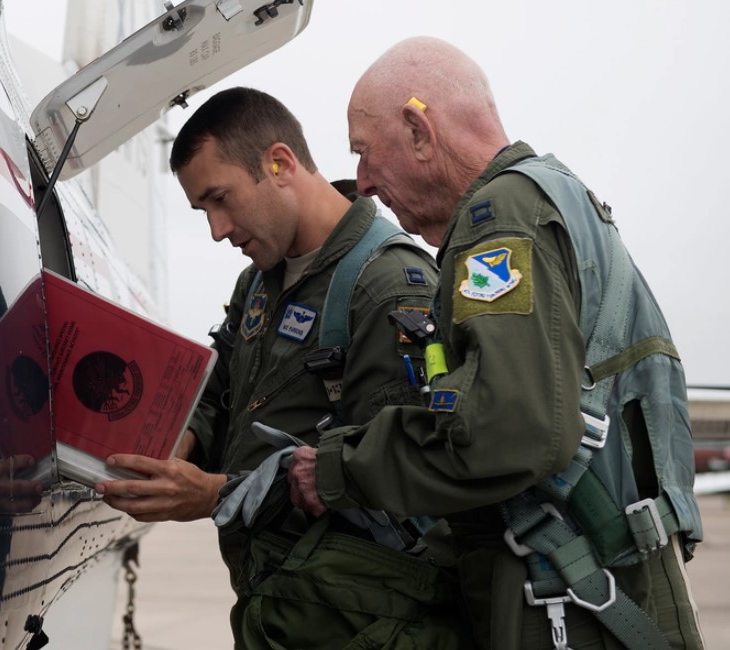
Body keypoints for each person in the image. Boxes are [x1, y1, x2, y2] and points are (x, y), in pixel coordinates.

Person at [288, 36, 705, 649]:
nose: (363, 183)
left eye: (366, 154)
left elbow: (512, 430)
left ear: (419, 130)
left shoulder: (501, 220)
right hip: (606, 578)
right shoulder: (557, 196)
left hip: (569, 596)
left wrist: (339, 465)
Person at [96, 87, 468, 649]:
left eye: (221, 200)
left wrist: (214, 495)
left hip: (371, 620)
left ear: (279, 163)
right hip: (285, 609)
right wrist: (181, 445)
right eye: (203, 211)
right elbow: (217, 388)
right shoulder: (258, 283)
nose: (217, 229)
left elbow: (395, 476)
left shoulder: (388, 288)